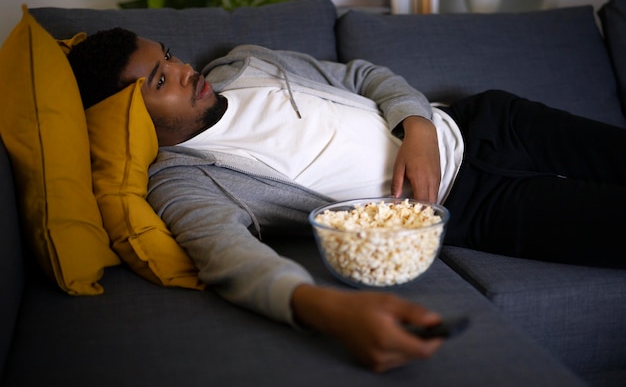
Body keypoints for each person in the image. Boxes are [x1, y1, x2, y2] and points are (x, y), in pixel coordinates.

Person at [67, 27, 626, 372]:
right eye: (160, 82)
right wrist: (331, 310)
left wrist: (419, 128)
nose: (185, 71)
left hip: (486, 122)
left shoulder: (244, 62)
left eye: (169, 57)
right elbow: (229, 258)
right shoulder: (183, 181)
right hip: (476, 207)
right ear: (127, 119)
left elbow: (366, 74)